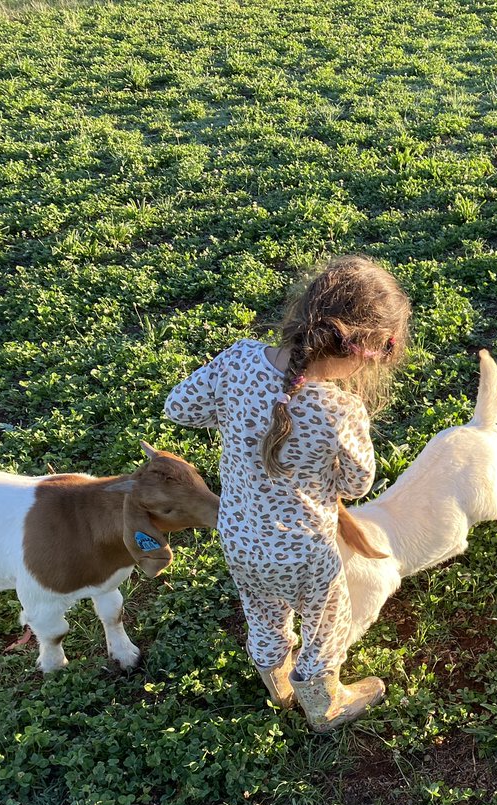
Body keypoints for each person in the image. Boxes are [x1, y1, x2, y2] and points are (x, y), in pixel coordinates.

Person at [166, 255, 411, 731]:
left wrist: (236, 418)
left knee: (262, 610)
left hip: (237, 534)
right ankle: (325, 705)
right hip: (304, 549)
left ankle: (276, 686)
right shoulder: (340, 407)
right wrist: (323, 478)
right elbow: (358, 483)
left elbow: (179, 406)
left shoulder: (238, 359)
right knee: (327, 621)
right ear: (360, 350)